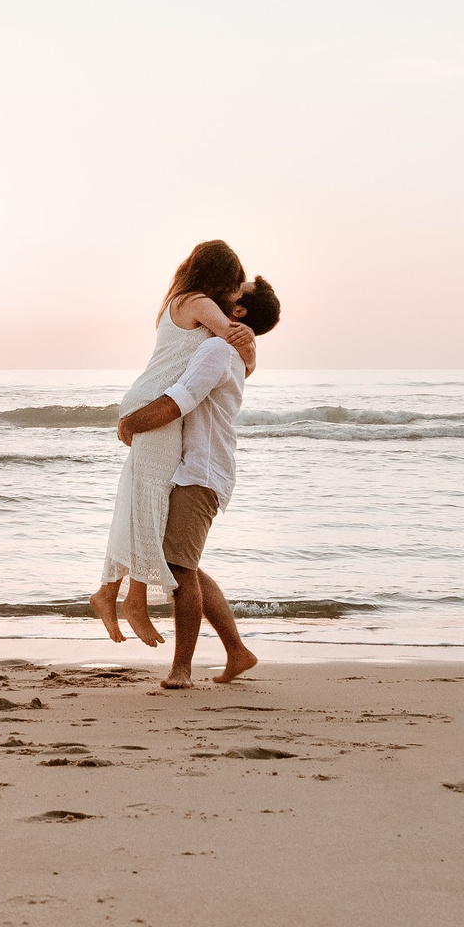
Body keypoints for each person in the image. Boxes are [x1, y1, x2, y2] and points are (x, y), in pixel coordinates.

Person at [113, 277, 280, 687]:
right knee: (185, 564)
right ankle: (237, 652)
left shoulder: (217, 349)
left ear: (238, 311)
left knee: (179, 569)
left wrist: (130, 423)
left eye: (235, 290)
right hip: (198, 470)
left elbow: (179, 400)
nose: (225, 291)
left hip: (199, 474)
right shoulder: (228, 349)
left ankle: (182, 670)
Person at [90, 241, 255, 645]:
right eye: (234, 285)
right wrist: (248, 335)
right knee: (149, 499)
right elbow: (235, 345)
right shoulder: (197, 302)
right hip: (154, 404)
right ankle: (129, 600)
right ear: (219, 279)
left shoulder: (180, 302)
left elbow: (228, 358)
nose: (236, 294)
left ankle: (115, 594)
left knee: (146, 499)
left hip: (156, 402)